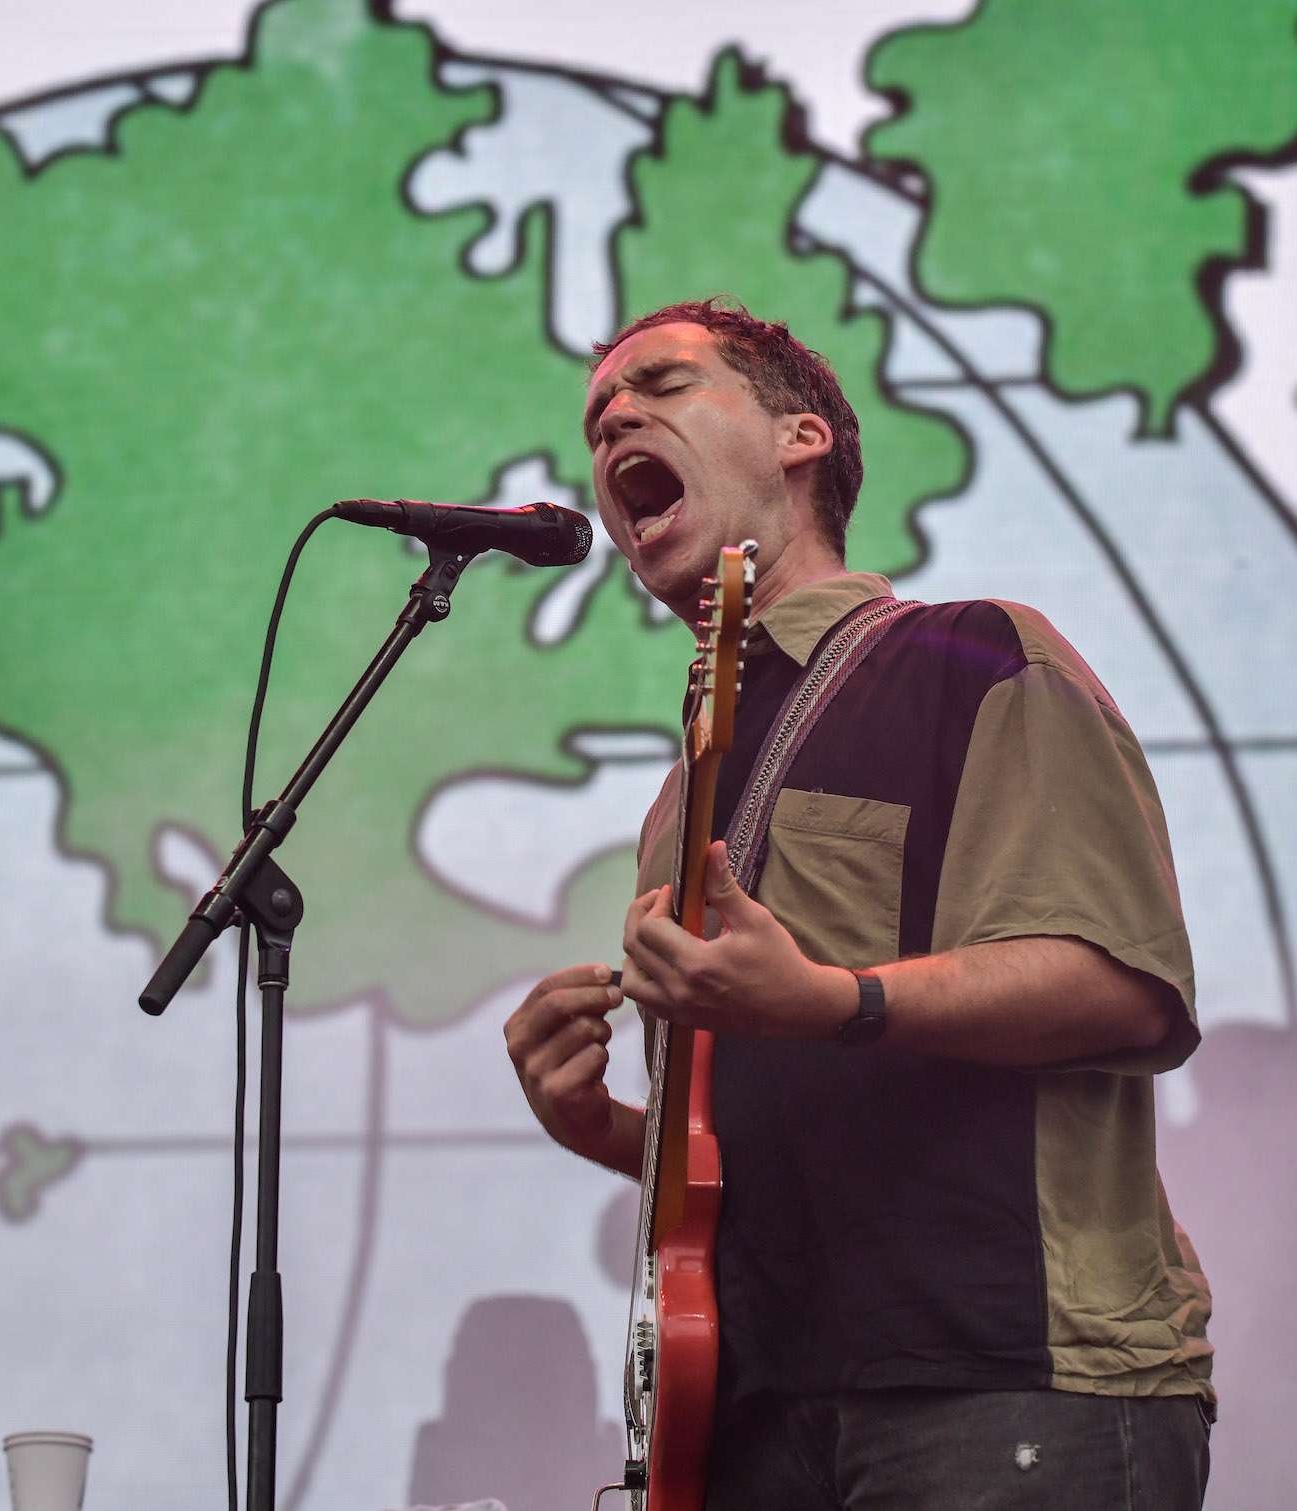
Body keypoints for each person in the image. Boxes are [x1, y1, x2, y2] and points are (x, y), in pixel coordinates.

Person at [503, 298, 1213, 1509]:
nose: (612, 418)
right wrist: (605, 1126)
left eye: (660, 386)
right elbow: (754, 1153)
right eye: (596, 415)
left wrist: (829, 997)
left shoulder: (974, 656)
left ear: (801, 437)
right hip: (754, 1407)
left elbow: (1124, 986)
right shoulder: (682, 792)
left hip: (1002, 1377)